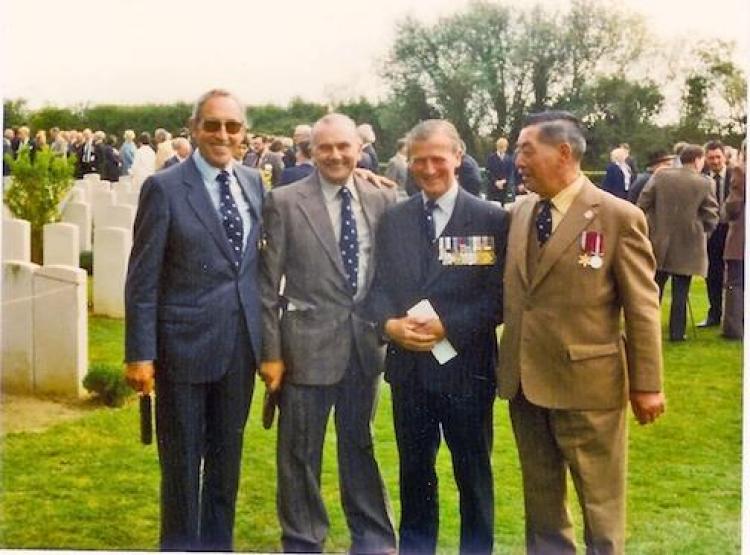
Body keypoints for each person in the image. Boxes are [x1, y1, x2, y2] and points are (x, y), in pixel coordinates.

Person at [497, 111, 665, 555]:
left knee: (600, 504)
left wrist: (647, 384)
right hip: (524, 385)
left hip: (588, 386)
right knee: (542, 504)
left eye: (525, 149)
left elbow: (643, 308)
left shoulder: (617, 216)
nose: (517, 159)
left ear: (564, 152)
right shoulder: (521, 212)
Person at [124, 89, 264, 551]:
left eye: (232, 126)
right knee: (183, 472)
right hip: (182, 351)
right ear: (194, 128)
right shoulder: (164, 187)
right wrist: (140, 353)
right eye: (212, 124)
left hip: (240, 351)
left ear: (244, 133)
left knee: (226, 469)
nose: (222, 134)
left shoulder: (253, 182)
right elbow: (142, 279)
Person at [260, 113, 397, 554]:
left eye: (344, 147)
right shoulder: (284, 201)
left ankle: (373, 538)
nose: (336, 155)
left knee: (360, 444)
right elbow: (266, 287)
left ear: (359, 150)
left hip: (364, 347)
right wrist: (271, 353)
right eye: (326, 148)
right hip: (305, 347)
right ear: (310, 151)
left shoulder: (383, 197)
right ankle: (303, 539)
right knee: (299, 453)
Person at [369, 119, 508, 555]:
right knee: (415, 476)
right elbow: (376, 289)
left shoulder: (491, 218)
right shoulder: (393, 219)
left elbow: (502, 296)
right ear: (407, 163)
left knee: (473, 476)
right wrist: (388, 325)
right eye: (418, 161)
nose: (428, 169)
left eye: (437, 159)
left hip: (468, 371)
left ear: (458, 158)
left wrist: (452, 325)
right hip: (410, 373)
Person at [637, 144, 718, 341]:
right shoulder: (705, 182)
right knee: (680, 292)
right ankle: (676, 333)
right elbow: (711, 214)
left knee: (654, 288)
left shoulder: (661, 176)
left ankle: (647, 329)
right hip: (688, 243)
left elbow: (643, 203)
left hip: (659, 240)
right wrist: (704, 232)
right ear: (698, 159)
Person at [699, 140, 731, 328]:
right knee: (712, 274)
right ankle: (715, 313)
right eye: (711, 158)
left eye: (718, 157)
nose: (715, 161)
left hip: (732, 230)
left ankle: (736, 315)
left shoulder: (738, 175)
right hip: (711, 233)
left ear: (724, 157)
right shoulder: (701, 178)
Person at [722, 139, 746, 339]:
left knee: (735, 283)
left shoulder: (741, 171)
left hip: (741, 234)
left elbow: (734, 203)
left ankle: (733, 328)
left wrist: (727, 212)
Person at [485, 137, 515, 203]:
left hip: (504, 189)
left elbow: (510, 173)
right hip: (492, 189)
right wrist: (496, 182)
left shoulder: (509, 159)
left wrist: (504, 181)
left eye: (504, 147)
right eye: (501, 147)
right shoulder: (491, 158)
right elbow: (488, 172)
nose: (503, 149)